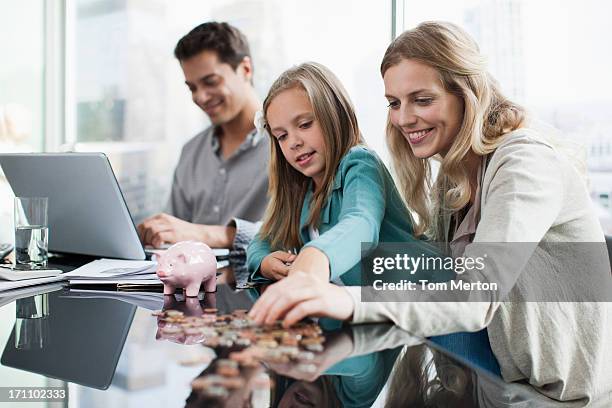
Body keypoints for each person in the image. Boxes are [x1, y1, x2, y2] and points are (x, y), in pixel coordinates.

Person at [248, 22, 612, 403]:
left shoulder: (525, 163)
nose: (404, 118)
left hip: (549, 398)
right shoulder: (452, 179)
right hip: (492, 383)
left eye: (422, 100)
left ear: (467, 94)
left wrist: (347, 298)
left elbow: (475, 294)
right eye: (394, 103)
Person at [246, 62, 435, 285]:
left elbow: (361, 223)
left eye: (305, 125)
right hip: (365, 311)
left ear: (334, 116)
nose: (294, 143)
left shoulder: (361, 163)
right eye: (282, 136)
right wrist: (264, 261)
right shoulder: (301, 189)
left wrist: (316, 255)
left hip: (426, 297)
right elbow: (263, 238)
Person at [137, 22, 268, 257]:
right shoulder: (191, 152)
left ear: (245, 69)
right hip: (195, 291)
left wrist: (204, 234)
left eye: (210, 82)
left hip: (263, 290)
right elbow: (175, 233)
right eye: (192, 88)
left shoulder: (289, 145)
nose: (200, 97)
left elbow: (301, 235)